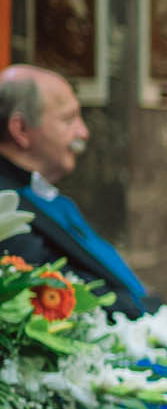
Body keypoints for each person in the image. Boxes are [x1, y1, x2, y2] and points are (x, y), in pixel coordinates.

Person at [0, 64, 149, 311]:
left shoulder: (45, 194)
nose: (84, 132)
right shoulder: (5, 206)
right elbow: (68, 297)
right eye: (68, 119)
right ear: (21, 129)